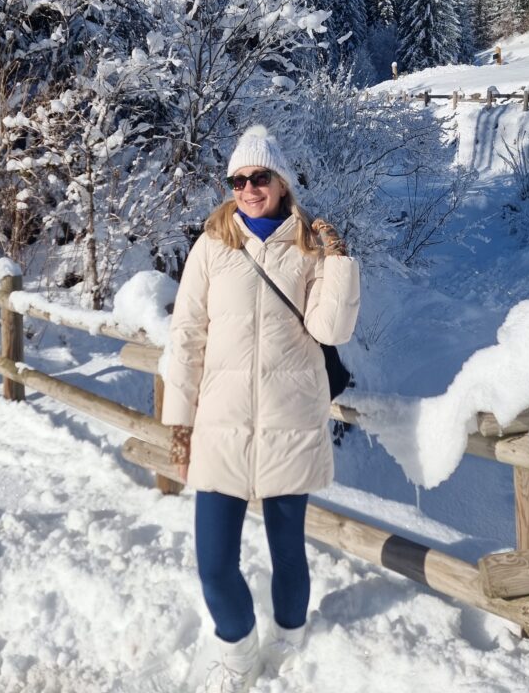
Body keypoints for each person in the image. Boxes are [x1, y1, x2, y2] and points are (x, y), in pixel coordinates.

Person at [161, 124, 360, 692]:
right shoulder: (211, 247)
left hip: (289, 419)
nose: (249, 188)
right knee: (214, 560)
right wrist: (179, 424)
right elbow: (187, 336)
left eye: (259, 177)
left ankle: (291, 640)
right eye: (238, 179)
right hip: (221, 424)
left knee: (287, 552)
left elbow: (330, 326)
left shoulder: (307, 245)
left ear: (281, 181)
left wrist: (338, 260)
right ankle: (239, 647)